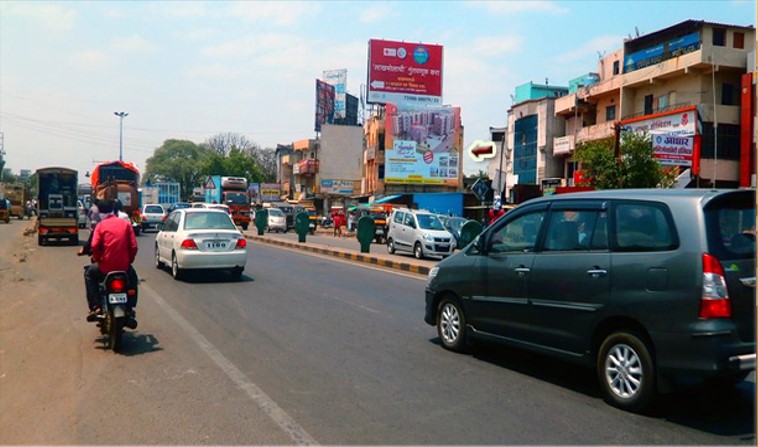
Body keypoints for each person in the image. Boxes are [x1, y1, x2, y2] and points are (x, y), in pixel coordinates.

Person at [82, 199, 138, 319]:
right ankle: (130, 307)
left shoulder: (100, 226)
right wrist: (129, 260)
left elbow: (94, 245)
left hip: (104, 268)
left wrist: (97, 258)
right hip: (124, 267)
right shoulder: (126, 224)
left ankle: (95, 306)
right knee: (133, 278)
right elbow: (134, 246)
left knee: (89, 274)